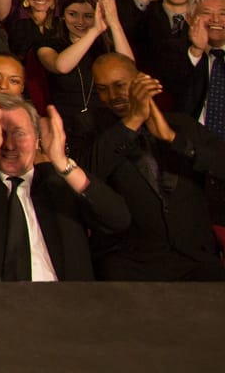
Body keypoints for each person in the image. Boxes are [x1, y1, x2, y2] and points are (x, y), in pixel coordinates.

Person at [0, 92, 130, 280]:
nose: (9, 145)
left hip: (64, 305)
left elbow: (117, 219)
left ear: (37, 140)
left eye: (19, 134)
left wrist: (63, 164)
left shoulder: (60, 181)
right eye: (0, 134)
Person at [84, 53, 225, 280]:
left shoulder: (182, 125)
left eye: (120, 85)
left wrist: (173, 139)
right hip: (129, 261)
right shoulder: (93, 131)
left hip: (195, 258)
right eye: (102, 89)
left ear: (140, 81)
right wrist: (133, 120)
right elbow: (89, 174)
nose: (112, 96)